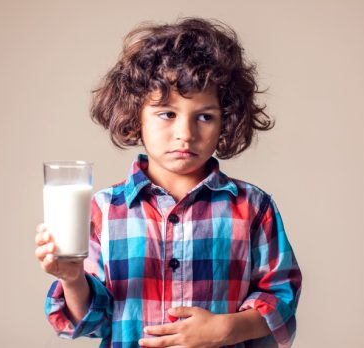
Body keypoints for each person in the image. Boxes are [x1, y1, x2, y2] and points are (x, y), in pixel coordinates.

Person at [34, 17, 302, 348]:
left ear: (226, 120)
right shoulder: (105, 210)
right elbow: (95, 321)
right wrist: (73, 278)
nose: (185, 133)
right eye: (167, 114)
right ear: (136, 118)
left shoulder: (252, 207)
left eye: (204, 116)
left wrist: (226, 329)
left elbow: (281, 294)